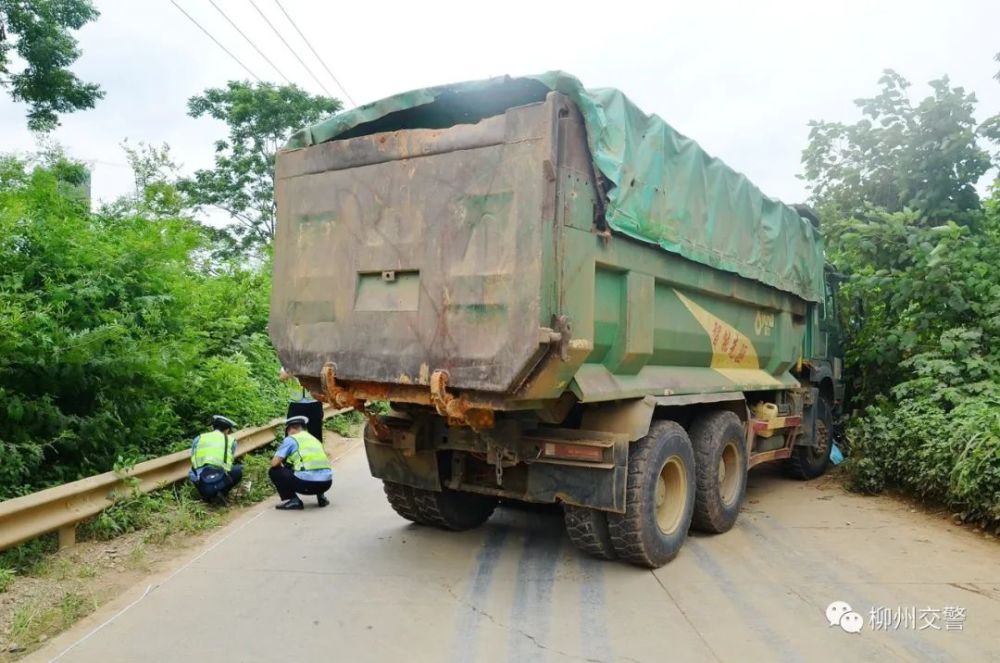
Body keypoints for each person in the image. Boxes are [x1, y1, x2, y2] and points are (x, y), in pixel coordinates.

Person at [269, 415, 333, 510]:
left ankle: (294, 500)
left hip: (307, 485)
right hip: (326, 483)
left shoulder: (291, 439)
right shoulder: (315, 439)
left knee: (274, 471)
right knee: (313, 468)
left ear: (290, 429)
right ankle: (321, 497)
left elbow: (274, 463)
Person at [189, 415, 243, 503]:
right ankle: (222, 493)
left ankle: (206, 496)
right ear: (227, 430)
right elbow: (230, 459)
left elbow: (193, 456)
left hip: (201, 480)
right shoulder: (231, 440)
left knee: (192, 472)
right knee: (237, 470)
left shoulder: (198, 438)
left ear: (213, 427)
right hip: (219, 478)